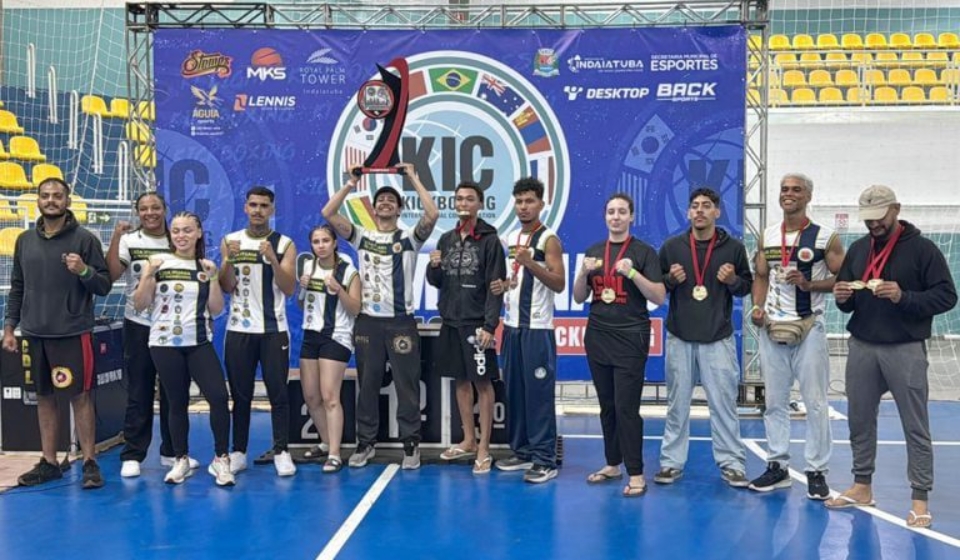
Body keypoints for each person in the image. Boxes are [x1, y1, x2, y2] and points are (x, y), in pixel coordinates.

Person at [826, 185, 956, 528]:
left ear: (896, 209)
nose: (874, 224)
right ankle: (862, 485)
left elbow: (947, 297)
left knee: (915, 425)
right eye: (868, 219)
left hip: (905, 348)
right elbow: (848, 301)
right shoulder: (859, 249)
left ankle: (919, 499)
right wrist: (842, 297)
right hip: (862, 346)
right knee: (859, 420)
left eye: (879, 217)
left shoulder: (923, 250)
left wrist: (904, 297)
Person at [322, 163, 438, 469]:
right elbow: (328, 214)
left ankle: (411, 446)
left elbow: (432, 215)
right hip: (368, 323)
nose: (385, 202)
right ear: (373, 209)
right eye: (380, 200)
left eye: (391, 200)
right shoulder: (362, 236)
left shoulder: (410, 238)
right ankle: (366, 444)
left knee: (407, 386)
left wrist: (413, 177)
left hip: (401, 323)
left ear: (399, 209)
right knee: (368, 385)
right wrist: (351, 182)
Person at [3, 178, 112, 489]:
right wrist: (10, 327)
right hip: (34, 333)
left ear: (67, 201)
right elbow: (18, 287)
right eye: (45, 195)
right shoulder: (24, 240)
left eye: (57, 196)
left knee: (80, 396)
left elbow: (103, 285)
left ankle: (89, 462)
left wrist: (83, 271)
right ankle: (49, 462)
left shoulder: (85, 239)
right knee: (44, 397)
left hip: (72, 332)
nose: (51, 200)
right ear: (38, 200)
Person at [749, 172, 845, 499]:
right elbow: (761, 275)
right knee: (774, 402)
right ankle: (777, 466)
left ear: (808, 196)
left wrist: (810, 285)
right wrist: (757, 307)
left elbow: (844, 278)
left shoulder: (825, 237)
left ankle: (816, 470)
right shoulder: (767, 235)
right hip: (772, 328)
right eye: (784, 189)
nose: (788, 194)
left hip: (808, 326)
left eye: (796, 190)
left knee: (815, 402)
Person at [655, 188, 753, 488]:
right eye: (695, 206)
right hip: (680, 337)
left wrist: (732, 280)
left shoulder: (733, 248)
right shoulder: (672, 247)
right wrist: (670, 279)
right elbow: (657, 288)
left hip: (718, 338)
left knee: (723, 405)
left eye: (706, 206)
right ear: (688, 212)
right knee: (677, 405)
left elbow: (746, 286)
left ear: (717, 212)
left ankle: (732, 463)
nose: (699, 210)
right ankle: (671, 463)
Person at [572, 193, 665, 497]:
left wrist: (633, 273)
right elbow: (578, 296)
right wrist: (583, 273)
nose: (616, 217)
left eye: (622, 212)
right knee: (608, 406)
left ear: (631, 217)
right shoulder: (594, 251)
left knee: (627, 408)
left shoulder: (644, 252)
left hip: (630, 337)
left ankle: (636, 473)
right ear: (605, 217)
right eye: (611, 212)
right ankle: (613, 464)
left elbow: (658, 296)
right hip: (598, 334)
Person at [133, 211, 235, 486]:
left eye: (187, 230)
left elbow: (217, 309)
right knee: (176, 402)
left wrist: (213, 278)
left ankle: (221, 459)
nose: (181, 235)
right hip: (164, 344)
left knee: (218, 397)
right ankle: (181, 459)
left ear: (199, 233)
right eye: (176, 230)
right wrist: (148, 275)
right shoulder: (157, 262)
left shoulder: (206, 267)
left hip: (199, 342)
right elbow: (140, 304)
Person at [108, 192, 200, 478]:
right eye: (144, 208)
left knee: (175, 390)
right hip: (138, 323)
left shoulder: (177, 240)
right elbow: (112, 274)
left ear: (165, 210)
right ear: (138, 212)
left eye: (155, 207)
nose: (150, 213)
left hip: (173, 327)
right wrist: (115, 237)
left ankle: (172, 452)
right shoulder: (130, 240)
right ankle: (133, 454)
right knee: (139, 389)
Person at [427, 181, 505, 475]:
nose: (463, 203)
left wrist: (489, 325)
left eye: (469, 199)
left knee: (482, 384)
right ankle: (469, 440)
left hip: (476, 324)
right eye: (459, 198)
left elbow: (495, 287)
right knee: (460, 381)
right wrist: (434, 266)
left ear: (479, 204)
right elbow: (437, 282)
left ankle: (484, 447)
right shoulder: (446, 239)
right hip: (450, 321)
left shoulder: (490, 240)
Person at [490, 177, 565, 484]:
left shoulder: (549, 239)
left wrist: (531, 263)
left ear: (541, 204)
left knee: (538, 396)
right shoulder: (512, 237)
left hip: (537, 330)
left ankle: (545, 460)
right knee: (516, 393)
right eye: (519, 201)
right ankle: (522, 452)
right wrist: (505, 285)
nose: (524, 207)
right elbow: (518, 278)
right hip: (512, 328)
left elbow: (559, 283)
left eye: (529, 201)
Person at [219, 186, 298, 476]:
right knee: (241, 395)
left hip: (273, 330)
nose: (258, 210)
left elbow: (289, 288)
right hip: (239, 329)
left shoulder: (284, 243)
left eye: (264, 206)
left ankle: (282, 451)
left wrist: (273, 259)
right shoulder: (231, 241)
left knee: (278, 393)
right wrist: (228, 260)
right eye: (253, 205)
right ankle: (238, 451)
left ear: (272, 210)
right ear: (245, 208)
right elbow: (226, 286)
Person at [297, 224, 361, 474]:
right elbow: (302, 305)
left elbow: (355, 308)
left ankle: (335, 454)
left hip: (337, 336)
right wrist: (302, 289)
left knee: (329, 396)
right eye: (316, 242)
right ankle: (325, 442)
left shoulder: (348, 271)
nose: (321, 245)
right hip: (310, 335)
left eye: (325, 241)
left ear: (335, 243)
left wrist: (339, 290)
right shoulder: (308, 266)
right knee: (311, 397)